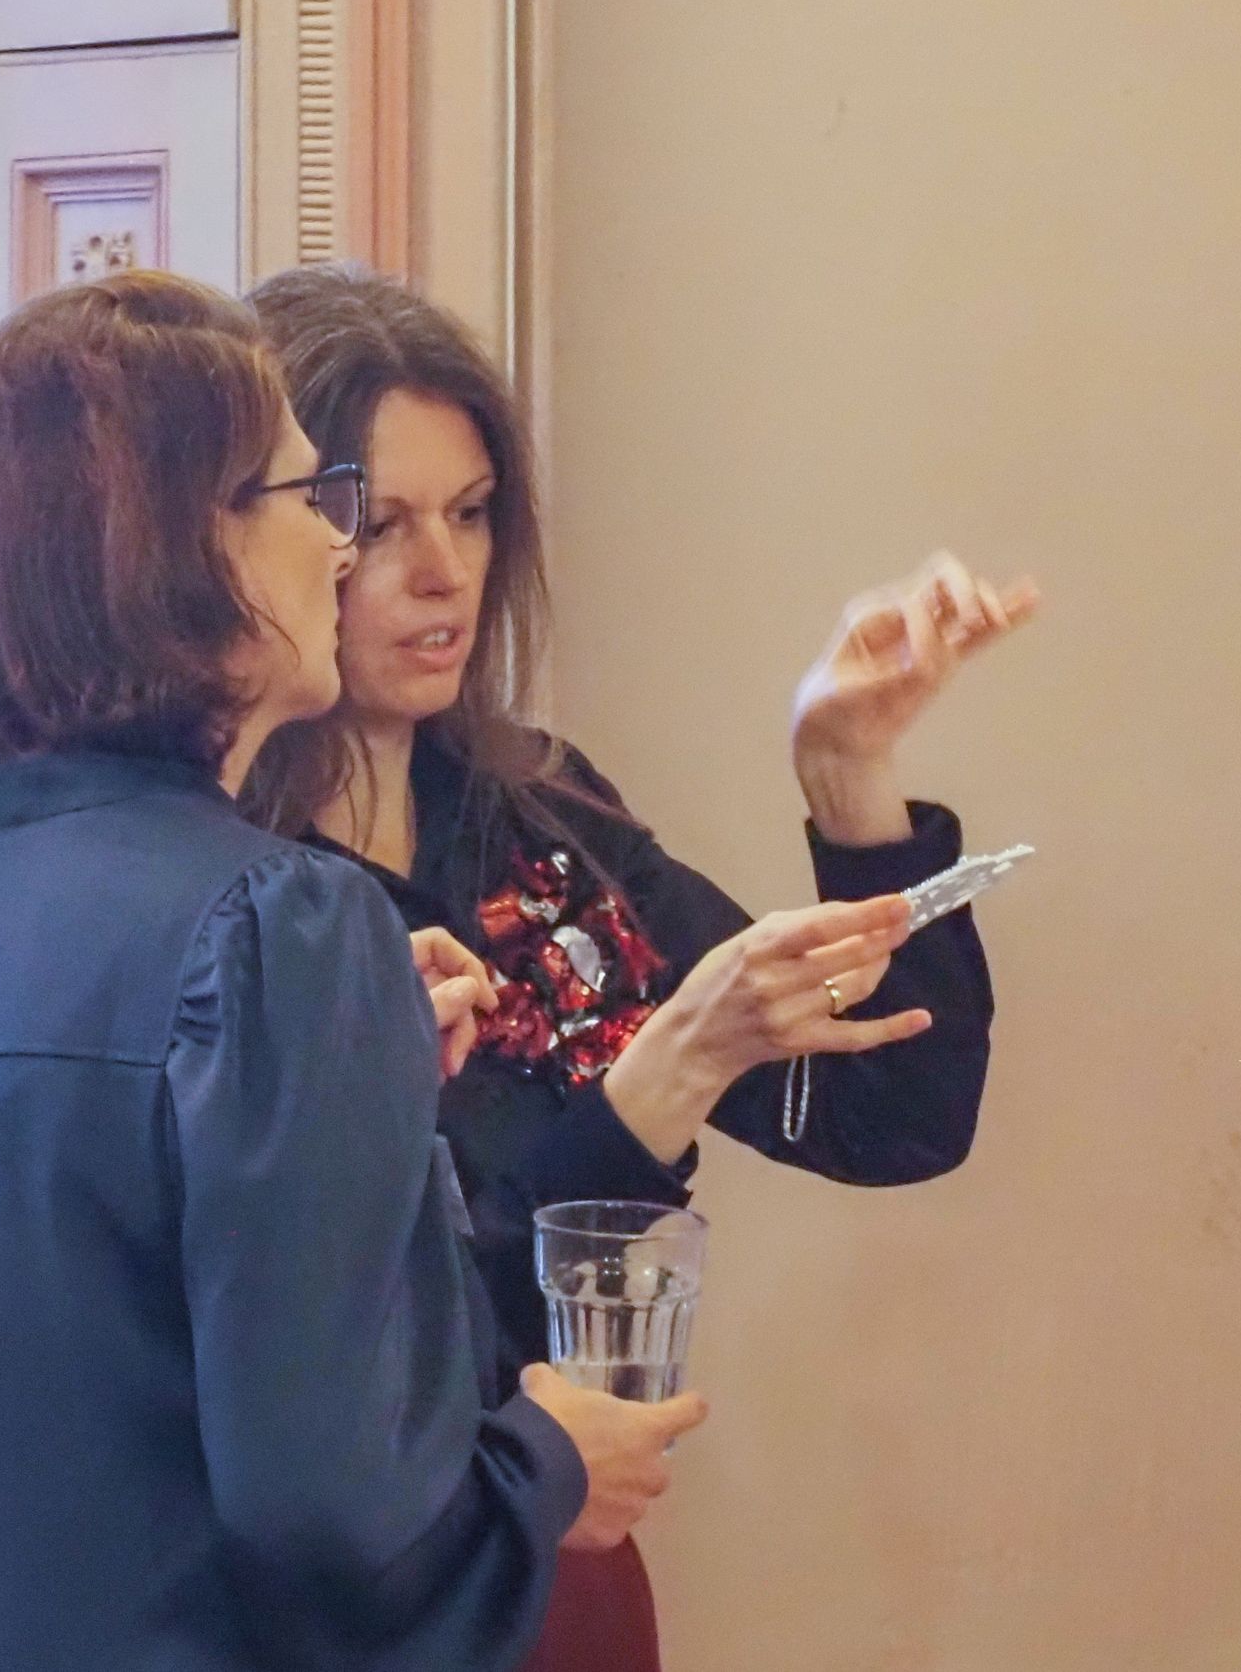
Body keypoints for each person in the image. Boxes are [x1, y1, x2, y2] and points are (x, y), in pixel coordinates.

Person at [0, 272, 705, 1672]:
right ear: (183, 552)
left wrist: (338, 1089)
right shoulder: (273, 936)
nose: (342, 547)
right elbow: (341, 1532)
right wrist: (550, 1457)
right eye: (312, 499)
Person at [244, 263, 1039, 1672]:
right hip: (355, 1612)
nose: (445, 573)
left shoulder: (541, 821)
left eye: (474, 513)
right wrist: (662, 1080)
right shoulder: (236, 905)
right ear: (274, 538)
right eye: (379, 524)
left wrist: (850, 783)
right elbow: (392, 1331)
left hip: (572, 1585)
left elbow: (898, 1118)